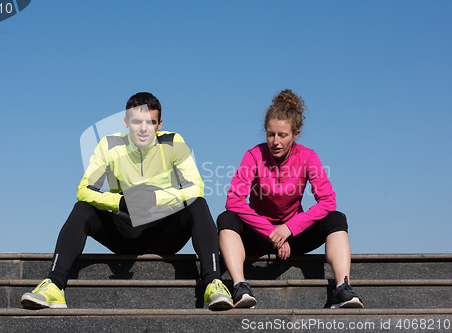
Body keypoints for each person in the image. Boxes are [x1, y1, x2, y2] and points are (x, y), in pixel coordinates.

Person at [21, 92, 233, 310]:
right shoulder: (109, 145)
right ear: (125, 122)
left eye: (150, 122)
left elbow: (196, 188)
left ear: (159, 124)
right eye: (136, 122)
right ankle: (54, 285)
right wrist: (121, 202)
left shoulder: (173, 142)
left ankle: (213, 284)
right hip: (124, 231)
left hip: (164, 233)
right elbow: (84, 190)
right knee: (82, 208)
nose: (143, 128)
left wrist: (154, 198)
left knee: (198, 204)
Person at [217, 89, 363, 309]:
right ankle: (239, 286)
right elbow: (234, 200)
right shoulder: (254, 155)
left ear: (295, 134)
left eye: (282, 135)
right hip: (258, 233)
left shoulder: (307, 157)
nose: (275, 141)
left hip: (293, 234)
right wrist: (271, 232)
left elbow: (327, 201)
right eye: (270, 134)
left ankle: (342, 288)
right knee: (226, 218)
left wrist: (289, 229)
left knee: (336, 218)